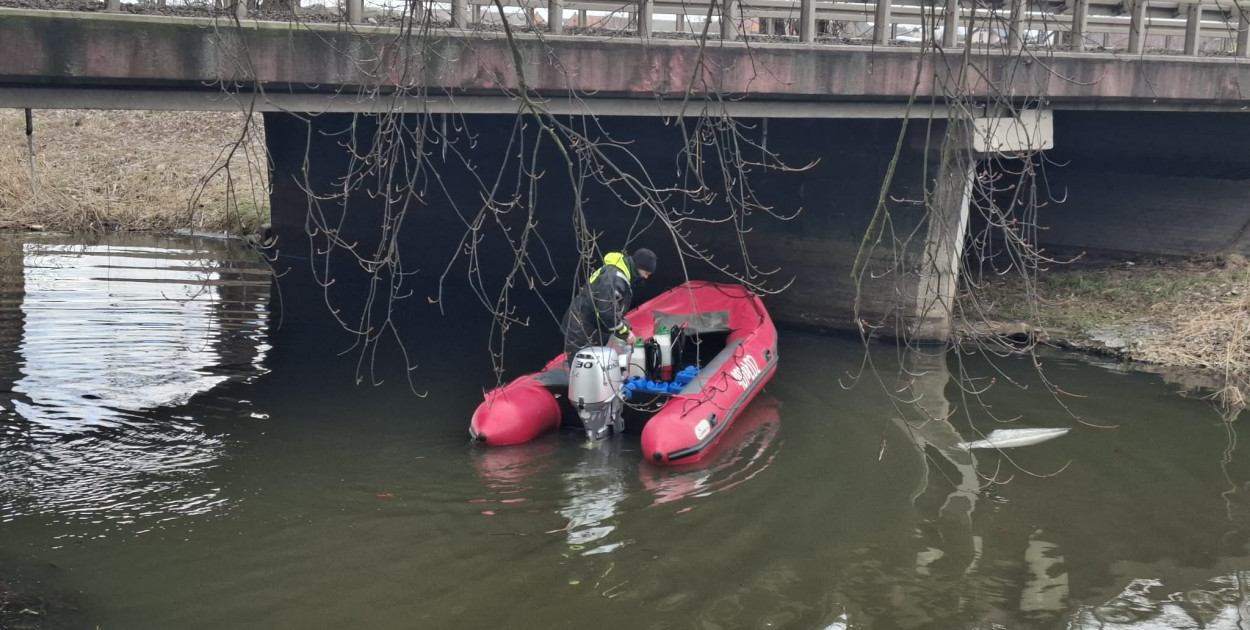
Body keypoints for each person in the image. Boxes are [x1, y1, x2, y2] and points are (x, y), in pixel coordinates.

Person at [561, 248, 657, 363]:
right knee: (584, 374)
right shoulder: (615, 277)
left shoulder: (619, 274)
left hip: (588, 328)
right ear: (638, 267)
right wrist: (625, 334)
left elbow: (614, 309)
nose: (646, 277)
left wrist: (626, 327)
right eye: (646, 273)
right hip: (581, 331)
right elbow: (606, 311)